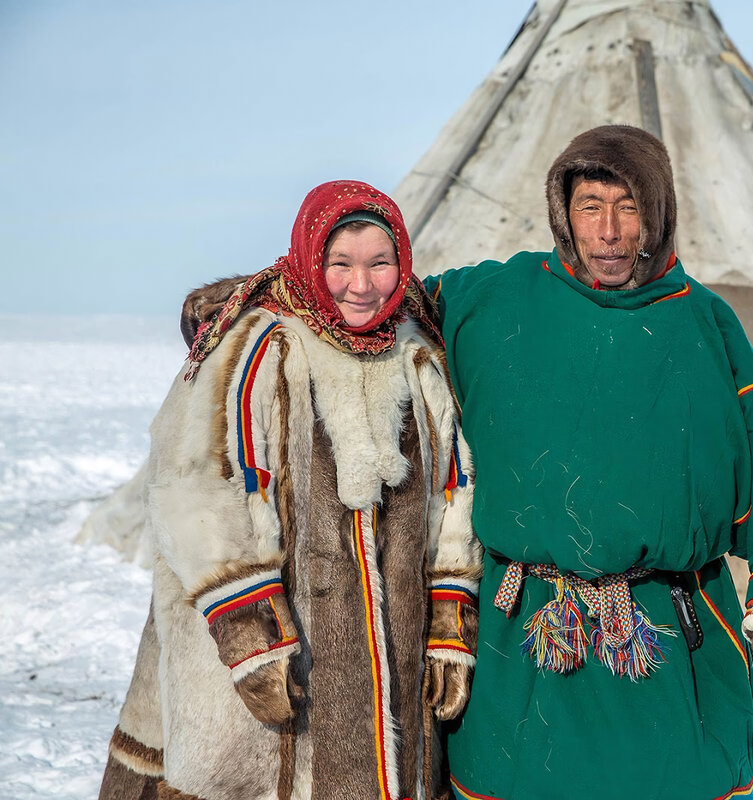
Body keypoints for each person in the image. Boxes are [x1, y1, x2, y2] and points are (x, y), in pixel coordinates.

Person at [424, 125, 753, 800]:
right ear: (564, 214)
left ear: (658, 212)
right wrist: (264, 295)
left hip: (669, 638)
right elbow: (372, 303)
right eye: (590, 205)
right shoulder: (493, 300)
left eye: (627, 207)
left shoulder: (703, 321)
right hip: (527, 637)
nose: (609, 230)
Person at [96, 180, 481, 800]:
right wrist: (250, 636)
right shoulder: (258, 347)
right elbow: (198, 486)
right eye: (341, 264)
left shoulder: (418, 355)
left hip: (390, 655)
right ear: (311, 258)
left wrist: (447, 623)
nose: (362, 285)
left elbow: (454, 493)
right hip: (261, 657)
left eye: (380, 263)